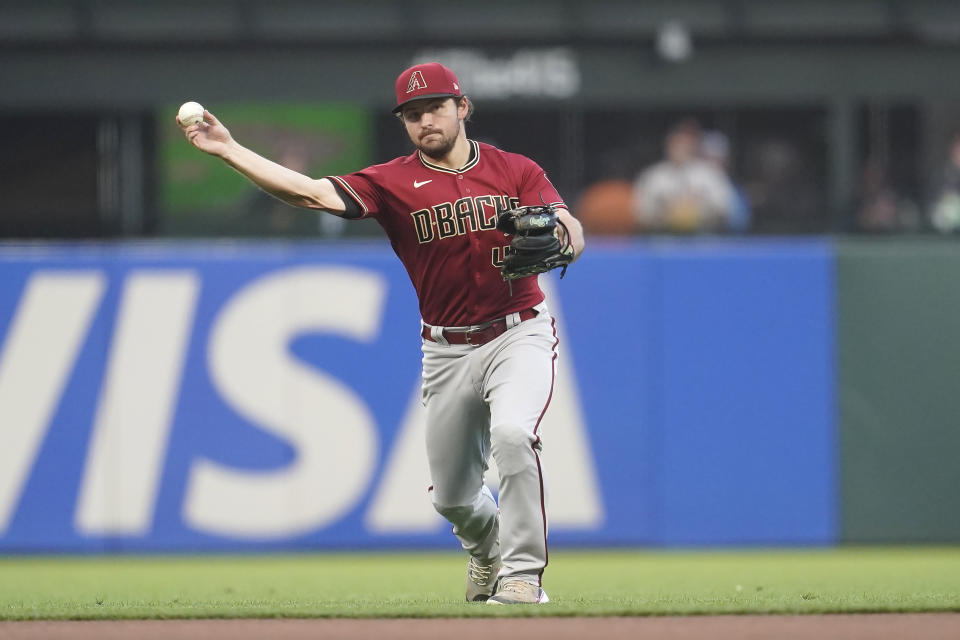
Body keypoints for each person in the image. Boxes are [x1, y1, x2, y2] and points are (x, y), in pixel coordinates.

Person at [178, 62, 585, 605]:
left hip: (519, 333)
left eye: (435, 107)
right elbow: (309, 193)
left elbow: (571, 230)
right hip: (445, 348)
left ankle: (522, 575)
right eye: (412, 114)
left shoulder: (515, 170)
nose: (424, 120)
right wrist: (230, 150)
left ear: (462, 107)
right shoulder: (393, 182)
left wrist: (562, 236)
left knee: (514, 436)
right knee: (454, 501)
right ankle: (485, 550)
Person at [632, 118, 735, 233]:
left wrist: (696, 214)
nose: (681, 147)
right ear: (668, 144)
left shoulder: (710, 174)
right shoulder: (652, 176)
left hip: (703, 238)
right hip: (663, 239)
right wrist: (668, 216)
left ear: (693, 145)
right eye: (677, 143)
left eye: (685, 143)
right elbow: (640, 214)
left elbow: (725, 209)